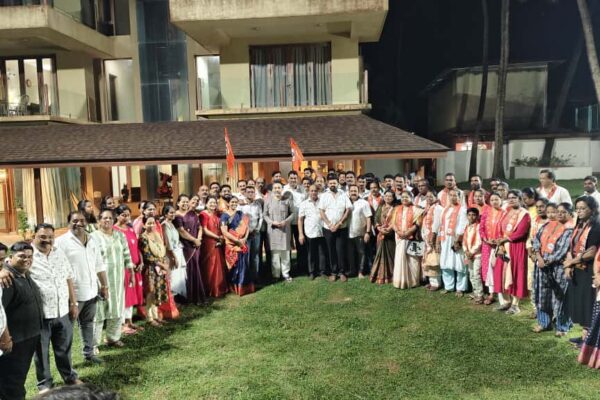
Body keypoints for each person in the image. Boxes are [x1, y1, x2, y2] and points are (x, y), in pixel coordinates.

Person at [30, 224, 81, 393]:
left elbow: (68, 278)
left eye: (50, 237)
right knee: (41, 352)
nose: (47, 240)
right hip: (41, 315)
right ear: (34, 236)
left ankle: (70, 378)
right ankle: (45, 384)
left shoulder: (59, 252)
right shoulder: (28, 255)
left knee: (64, 348)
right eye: (42, 237)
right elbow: (11, 265)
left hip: (63, 311)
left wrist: (73, 303)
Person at [55, 211, 108, 364]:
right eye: (75, 221)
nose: (79, 223)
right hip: (72, 295)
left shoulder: (92, 239)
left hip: (91, 291)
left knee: (88, 323)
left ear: (86, 222)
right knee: (67, 330)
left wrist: (104, 286)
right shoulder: (61, 242)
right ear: (68, 223)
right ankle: (66, 363)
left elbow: (99, 265)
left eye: (82, 220)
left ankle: (89, 354)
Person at [0, 242, 43, 400]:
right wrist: (5, 337)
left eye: (30, 257)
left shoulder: (25, 273)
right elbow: (0, 311)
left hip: (28, 337)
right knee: (13, 382)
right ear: (11, 258)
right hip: (15, 341)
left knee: (18, 377)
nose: (27, 260)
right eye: (22, 256)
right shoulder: (7, 280)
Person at [91, 210, 134, 349]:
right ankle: (93, 345)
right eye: (104, 218)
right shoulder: (93, 237)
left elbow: (127, 254)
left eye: (110, 218)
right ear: (99, 220)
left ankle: (113, 338)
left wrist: (131, 272)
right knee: (98, 312)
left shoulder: (120, 235)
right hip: (100, 280)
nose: (107, 220)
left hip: (117, 278)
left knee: (116, 309)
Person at [532, 202, 573, 335]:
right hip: (542, 266)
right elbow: (536, 240)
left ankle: (562, 327)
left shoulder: (570, 229)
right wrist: (539, 257)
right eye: (558, 211)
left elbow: (563, 249)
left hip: (558, 267)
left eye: (563, 212)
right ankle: (544, 323)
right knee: (542, 294)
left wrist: (548, 260)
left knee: (560, 297)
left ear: (569, 214)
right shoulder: (546, 225)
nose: (559, 214)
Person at [564, 196, 600, 347]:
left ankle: (588, 339)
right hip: (577, 269)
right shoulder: (579, 224)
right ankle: (585, 335)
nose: (579, 211)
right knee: (580, 302)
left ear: (592, 209)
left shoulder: (597, 225)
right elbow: (571, 246)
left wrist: (571, 262)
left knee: (588, 303)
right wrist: (568, 265)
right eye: (577, 208)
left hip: (589, 270)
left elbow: (592, 251)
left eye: (583, 208)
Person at [493, 189, 531, 315]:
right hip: (504, 246)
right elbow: (500, 228)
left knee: (515, 274)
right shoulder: (507, 212)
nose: (511, 200)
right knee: (502, 273)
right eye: (509, 198)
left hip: (517, 247)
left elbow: (521, 232)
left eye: (514, 197)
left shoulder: (525, 214)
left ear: (520, 199)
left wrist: (504, 240)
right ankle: (506, 302)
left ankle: (515, 305)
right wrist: (500, 244)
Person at [113, 205, 144, 334]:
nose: (126, 218)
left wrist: (141, 262)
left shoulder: (130, 229)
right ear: (117, 216)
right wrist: (129, 264)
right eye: (123, 215)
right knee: (124, 295)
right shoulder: (114, 230)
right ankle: (121, 324)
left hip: (135, 268)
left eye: (128, 215)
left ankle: (129, 321)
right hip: (124, 268)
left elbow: (136, 248)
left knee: (132, 294)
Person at [174, 194, 206, 305]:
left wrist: (199, 239)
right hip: (185, 246)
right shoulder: (176, 215)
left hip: (196, 245)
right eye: (183, 201)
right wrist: (194, 240)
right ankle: (187, 297)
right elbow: (181, 231)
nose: (185, 203)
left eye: (187, 201)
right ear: (178, 203)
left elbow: (200, 227)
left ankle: (196, 295)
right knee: (187, 270)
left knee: (196, 268)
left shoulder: (193, 214)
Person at [319, 174, 352, 282]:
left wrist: (339, 223)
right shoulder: (324, 195)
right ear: (327, 184)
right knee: (331, 250)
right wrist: (329, 224)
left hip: (341, 228)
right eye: (330, 183)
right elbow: (321, 211)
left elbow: (348, 210)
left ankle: (342, 272)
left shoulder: (343, 194)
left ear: (337, 183)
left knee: (340, 250)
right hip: (328, 228)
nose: (332, 184)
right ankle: (333, 272)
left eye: (334, 182)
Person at [220, 196, 255, 296]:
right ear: (228, 203)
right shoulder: (224, 216)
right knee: (234, 267)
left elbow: (246, 227)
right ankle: (235, 287)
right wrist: (237, 241)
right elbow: (224, 232)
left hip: (242, 243)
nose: (234, 204)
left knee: (244, 265)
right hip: (232, 244)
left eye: (236, 202)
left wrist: (244, 239)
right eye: (232, 202)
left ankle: (244, 288)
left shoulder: (240, 213)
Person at [139, 216, 170, 326]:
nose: (152, 225)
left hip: (160, 268)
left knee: (157, 291)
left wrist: (165, 263)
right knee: (150, 292)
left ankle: (156, 316)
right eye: (149, 223)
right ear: (144, 225)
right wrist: (162, 265)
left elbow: (163, 251)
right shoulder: (143, 238)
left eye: (153, 223)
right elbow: (147, 256)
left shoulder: (157, 235)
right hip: (151, 269)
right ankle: (150, 318)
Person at [437, 189, 468, 296]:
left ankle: (460, 288)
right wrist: (438, 241)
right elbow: (441, 225)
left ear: (459, 197)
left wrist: (458, 241)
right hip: (445, 239)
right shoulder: (445, 209)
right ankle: (448, 286)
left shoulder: (462, 210)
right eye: (451, 195)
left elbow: (463, 226)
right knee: (445, 262)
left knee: (459, 263)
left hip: (456, 239)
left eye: (455, 195)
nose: (453, 197)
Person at [391, 190, 423, 289]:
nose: (404, 199)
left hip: (411, 237)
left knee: (413, 259)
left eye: (407, 197)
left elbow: (418, 223)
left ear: (411, 198)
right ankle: (400, 281)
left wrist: (408, 232)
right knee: (400, 258)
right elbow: (393, 223)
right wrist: (398, 232)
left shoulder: (416, 209)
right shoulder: (396, 209)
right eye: (403, 197)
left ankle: (413, 282)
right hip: (399, 237)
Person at [263, 182, 294, 282]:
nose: (277, 189)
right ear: (272, 189)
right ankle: (276, 275)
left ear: (282, 189)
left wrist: (285, 221)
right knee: (275, 254)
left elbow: (292, 213)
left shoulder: (287, 200)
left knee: (285, 253)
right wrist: (272, 222)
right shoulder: (267, 201)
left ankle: (286, 274)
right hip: (273, 230)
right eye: (275, 188)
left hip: (285, 230)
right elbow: (265, 215)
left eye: (279, 188)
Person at [199, 197, 228, 298]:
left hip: (218, 241)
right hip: (208, 242)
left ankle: (218, 288)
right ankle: (209, 288)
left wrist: (221, 238)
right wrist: (217, 237)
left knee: (218, 264)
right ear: (206, 204)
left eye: (214, 203)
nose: (213, 204)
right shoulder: (203, 214)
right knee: (209, 264)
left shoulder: (216, 214)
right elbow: (205, 230)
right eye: (210, 203)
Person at [479, 193, 504, 305]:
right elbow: (481, 228)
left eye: (496, 199)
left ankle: (501, 292)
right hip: (487, 245)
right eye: (492, 200)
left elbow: (506, 229)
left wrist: (499, 241)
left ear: (501, 200)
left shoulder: (504, 213)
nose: (494, 202)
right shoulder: (486, 212)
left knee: (498, 267)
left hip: (500, 245)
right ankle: (491, 293)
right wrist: (486, 239)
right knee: (488, 268)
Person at [299, 185, 327, 279]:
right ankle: (312, 272)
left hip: (322, 231)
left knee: (322, 253)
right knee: (311, 253)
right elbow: (300, 220)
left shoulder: (322, 202)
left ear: (318, 192)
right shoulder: (304, 204)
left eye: (315, 191)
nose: (313, 192)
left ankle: (322, 271)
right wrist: (301, 234)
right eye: (311, 191)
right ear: (308, 192)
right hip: (310, 232)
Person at [283, 170, 308, 276]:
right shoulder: (284, 189)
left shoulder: (302, 189)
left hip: (299, 222)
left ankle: (301, 267)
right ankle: (288, 269)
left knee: (301, 245)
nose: (293, 180)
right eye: (291, 178)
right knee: (288, 246)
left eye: (295, 178)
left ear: (297, 179)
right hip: (287, 222)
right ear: (288, 179)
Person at [369, 190, 396, 284]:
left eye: (390, 196)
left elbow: (396, 220)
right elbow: (375, 218)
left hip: (391, 235)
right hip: (380, 234)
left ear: (393, 198)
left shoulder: (396, 208)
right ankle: (380, 274)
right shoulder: (380, 207)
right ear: (383, 197)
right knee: (379, 254)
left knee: (391, 254)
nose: (388, 198)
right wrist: (379, 228)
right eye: (386, 196)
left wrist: (389, 229)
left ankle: (391, 275)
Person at [161, 205, 187, 299]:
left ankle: (178, 296)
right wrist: (174, 257)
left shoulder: (172, 224)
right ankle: (172, 297)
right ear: (165, 214)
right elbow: (168, 243)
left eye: (174, 212)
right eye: (171, 213)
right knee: (173, 275)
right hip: (171, 253)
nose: (173, 214)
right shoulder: (164, 225)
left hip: (178, 250)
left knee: (178, 274)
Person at [347, 185, 372, 278]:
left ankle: (360, 271)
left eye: (355, 191)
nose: (353, 193)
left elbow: (368, 218)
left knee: (361, 252)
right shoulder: (346, 202)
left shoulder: (364, 203)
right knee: (350, 253)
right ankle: (352, 271)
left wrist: (367, 232)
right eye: (351, 191)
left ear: (358, 192)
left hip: (360, 232)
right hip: (348, 232)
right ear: (349, 192)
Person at [421, 190, 443, 290]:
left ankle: (437, 283)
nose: (429, 198)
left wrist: (433, 237)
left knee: (434, 261)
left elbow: (437, 224)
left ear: (436, 197)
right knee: (428, 260)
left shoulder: (438, 208)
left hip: (434, 237)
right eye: (427, 197)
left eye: (431, 196)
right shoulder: (428, 208)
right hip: (427, 237)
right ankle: (431, 281)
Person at [241, 187, 263, 284]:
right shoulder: (241, 205)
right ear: (245, 193)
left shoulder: (257, 204)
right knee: (246, 255)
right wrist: (246, 231)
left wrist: (257, 229)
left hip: (256, 233)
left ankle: (256, 276)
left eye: (252, 192)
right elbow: (239, 219)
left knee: (255, 255)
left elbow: (261, 217)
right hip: (245, 234)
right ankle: (247, 278)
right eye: (248, 192)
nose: (250, 194)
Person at [463, 208, 484, 304]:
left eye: (473, 215)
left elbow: (479, 242)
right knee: (471, 274)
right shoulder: (467, 226)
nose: (471, 217)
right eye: (469, 215)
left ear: (477, 216)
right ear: (467, 216)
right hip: (468, 254)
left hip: (477, 254)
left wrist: (472, 252)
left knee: (476, 274)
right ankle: (475, 292)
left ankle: (480, 295)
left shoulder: (479, 226)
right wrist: (466, 251)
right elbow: (464, 241)